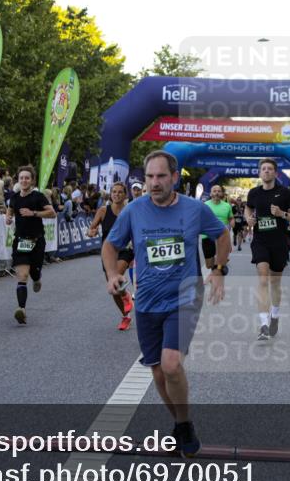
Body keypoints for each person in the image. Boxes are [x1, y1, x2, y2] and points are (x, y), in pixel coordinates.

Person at [102, 150, 230, 458]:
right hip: (147, 301)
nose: (154, 182)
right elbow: (110, 245)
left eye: (161, 176)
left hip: (184, 297)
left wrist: (218, 270)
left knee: (171, 364)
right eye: (149, 177)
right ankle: (182, 423)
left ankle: (183, 425)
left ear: (174, 177)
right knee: (158, 373)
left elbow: (222, 235)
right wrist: (112, 274)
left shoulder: (195, 209)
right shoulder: (134, 210)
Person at [244, 158, 290, 340]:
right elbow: (248, 209)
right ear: (259, 173)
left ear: (275, 173)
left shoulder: (284, 193)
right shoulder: (254, 193)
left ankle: (274, 316)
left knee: (275, 282)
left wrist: (282, 214)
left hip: (279, 242)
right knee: (263, 278)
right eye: (264, 169)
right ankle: (263, 325)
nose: (266, 171)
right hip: (260, 240)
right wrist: (248, 219)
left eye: (270, 169)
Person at [6, 165, 56, 324]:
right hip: (21, 241)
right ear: (18, 180)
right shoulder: (14, 198)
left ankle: (37, 277)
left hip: (37, 241)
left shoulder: (38, 197)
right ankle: (21, 310)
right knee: (22, 275)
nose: (24, 180)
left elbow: (52, 213)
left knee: (34, 271)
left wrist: (33, 213)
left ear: (32, 180)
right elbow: (10, 210)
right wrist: (8, 218)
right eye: (21, 178)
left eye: (27, 178)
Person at [87, 182, 135, 330]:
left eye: (120, 192)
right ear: (110, 194)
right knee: (114, 288)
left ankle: (125, 295)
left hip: (126, 250)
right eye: (114, 192)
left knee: (116, 277)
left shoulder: (130, 211)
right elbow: (91, 229)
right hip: (108, 252)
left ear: (125, 195)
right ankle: (126, 316)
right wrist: (91, 232)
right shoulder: (103, 211)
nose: (117, 194)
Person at [201, 185, 234, 271]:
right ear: (211, 194)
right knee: (209, 265)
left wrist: (232, 224)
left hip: (222, 236)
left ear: (222, 194)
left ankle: (219, 267)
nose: (217, 193)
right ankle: (217, 265)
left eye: (219, 191)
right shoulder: (205, 205)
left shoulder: (227, 206)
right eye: (214, 191)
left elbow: (231, 218)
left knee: (219, 264)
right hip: (207, 236)